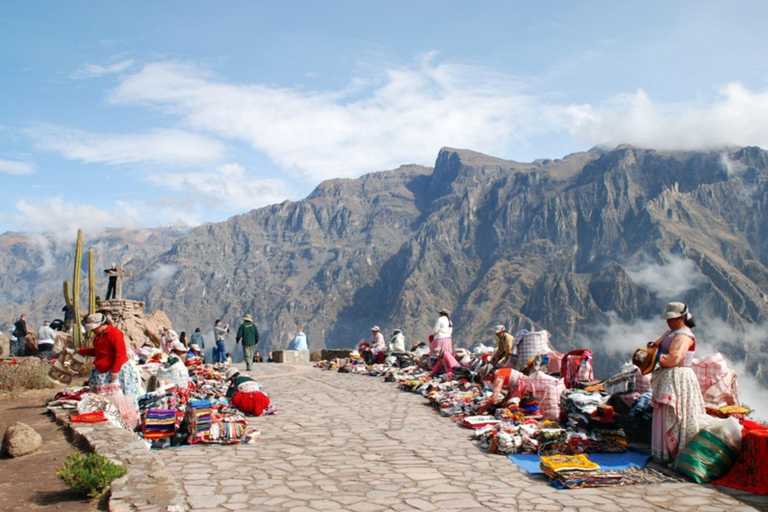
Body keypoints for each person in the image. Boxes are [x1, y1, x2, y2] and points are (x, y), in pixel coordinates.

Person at [649, 302, 706, 464]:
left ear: (681, 318)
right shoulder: (671, 333)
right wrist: (654, 348)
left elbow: (674, 359)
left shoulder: (683, 336)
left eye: (672, 319)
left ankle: (675, 451)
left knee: (676, 414)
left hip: (678, 378)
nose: (668, 321)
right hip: (670, 377)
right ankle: (664, 451)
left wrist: (655, 356)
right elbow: (656, 344)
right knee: (664, 412)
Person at [78, 313, 138, 397]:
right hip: (104, 369)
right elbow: (98, 352)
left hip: (116, 369)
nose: (93, 331)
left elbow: (120, 353)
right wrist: (82, 351)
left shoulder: (114, 333)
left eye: (94, 328)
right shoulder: (98, 337)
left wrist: (115, 370)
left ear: (101, 324)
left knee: (119, 395)